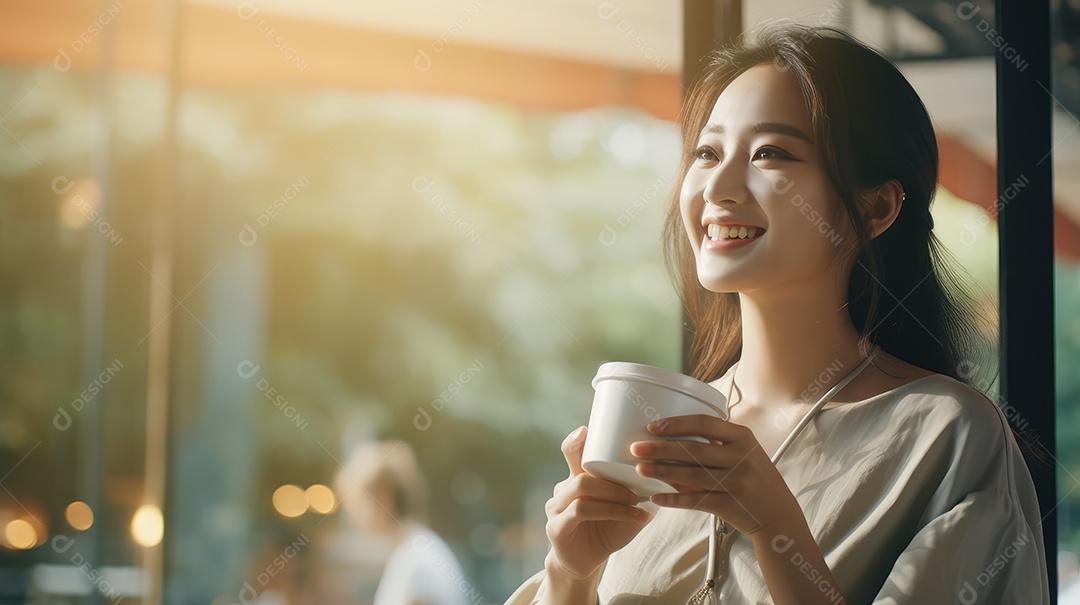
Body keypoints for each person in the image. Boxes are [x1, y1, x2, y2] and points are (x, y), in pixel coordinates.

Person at [505, 24, 1050, 605]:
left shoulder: (948, 436)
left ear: (877, 207)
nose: (719, 184)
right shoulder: (656, 432)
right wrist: (571, 574)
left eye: (770, 153)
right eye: (706, 153)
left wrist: (777, 529)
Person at [335, 441, 472, 605]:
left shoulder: (415, 564)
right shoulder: (417, 551)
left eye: (355, 502)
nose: (351, 514)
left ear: (382, 498)